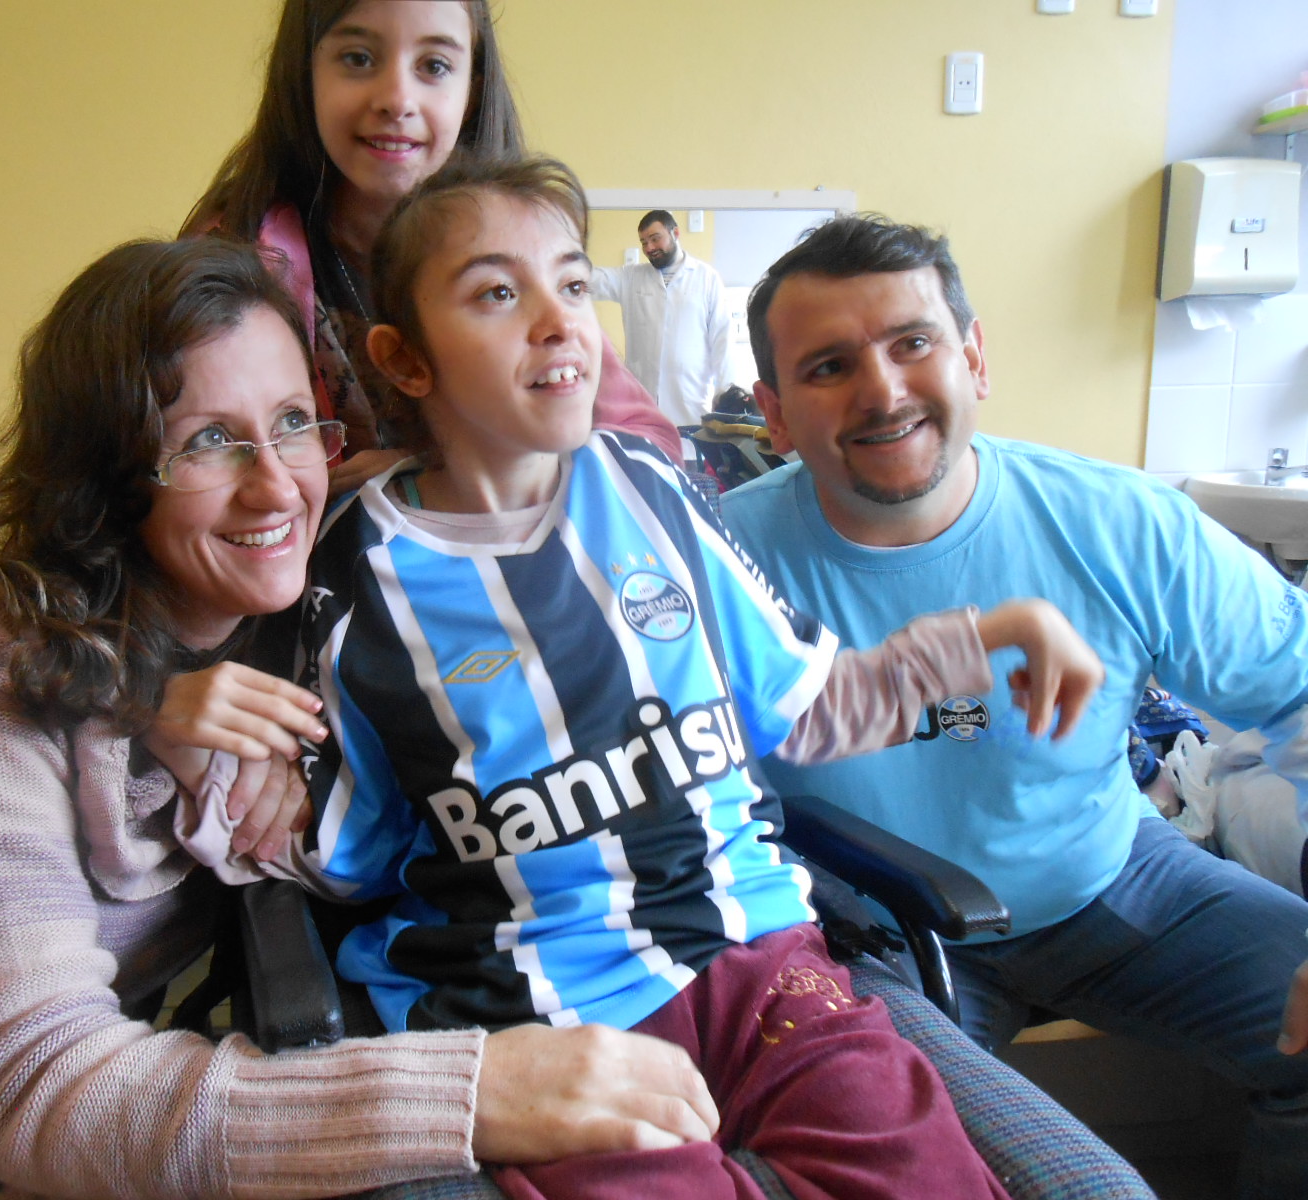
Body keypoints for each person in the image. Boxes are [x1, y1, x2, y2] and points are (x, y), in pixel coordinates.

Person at [0, 236, 723, 1200]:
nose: (277, 484)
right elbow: (38, 1094)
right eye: (206, 442)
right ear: (105, 477)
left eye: (292, 421)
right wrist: (475, 1090)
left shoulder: (295, 600)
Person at [185, 155, 1112, 1199]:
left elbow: (813, 710)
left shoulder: (657, 489)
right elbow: (346, 853)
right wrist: (228, 776)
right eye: (499, 293)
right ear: (403, 360)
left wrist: (992, 631)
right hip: (533, 1008)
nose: (557, 320)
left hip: (761, 957)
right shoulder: (350, 573)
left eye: (574, 285)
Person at [718, 212, 1308, 1200]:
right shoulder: (712, 564)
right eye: (827, 367)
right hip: (869, 939)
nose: (884, 390)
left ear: (974, 357)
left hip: (1115, 878)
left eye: (913, 344)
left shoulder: (1120, 522)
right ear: (774, 417)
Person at [183, 0, 681, 493]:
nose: (397, 100)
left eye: (435, 66)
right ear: (304, 71)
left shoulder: (525, 251)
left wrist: (441, 466)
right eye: (358, 58)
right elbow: (189, 468)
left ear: (472, 88)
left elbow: (652, 446)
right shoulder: (234, 256)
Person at [591, 209, 734, 428]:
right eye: (643, 242)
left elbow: (722, 337)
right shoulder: (631, 277)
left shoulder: (707, 278)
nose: (649, 248)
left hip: (690, 402)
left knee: (689, 456)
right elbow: (591, 280)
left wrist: (726, 390)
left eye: (655, 239)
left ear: (675, 233)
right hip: (642, 402)